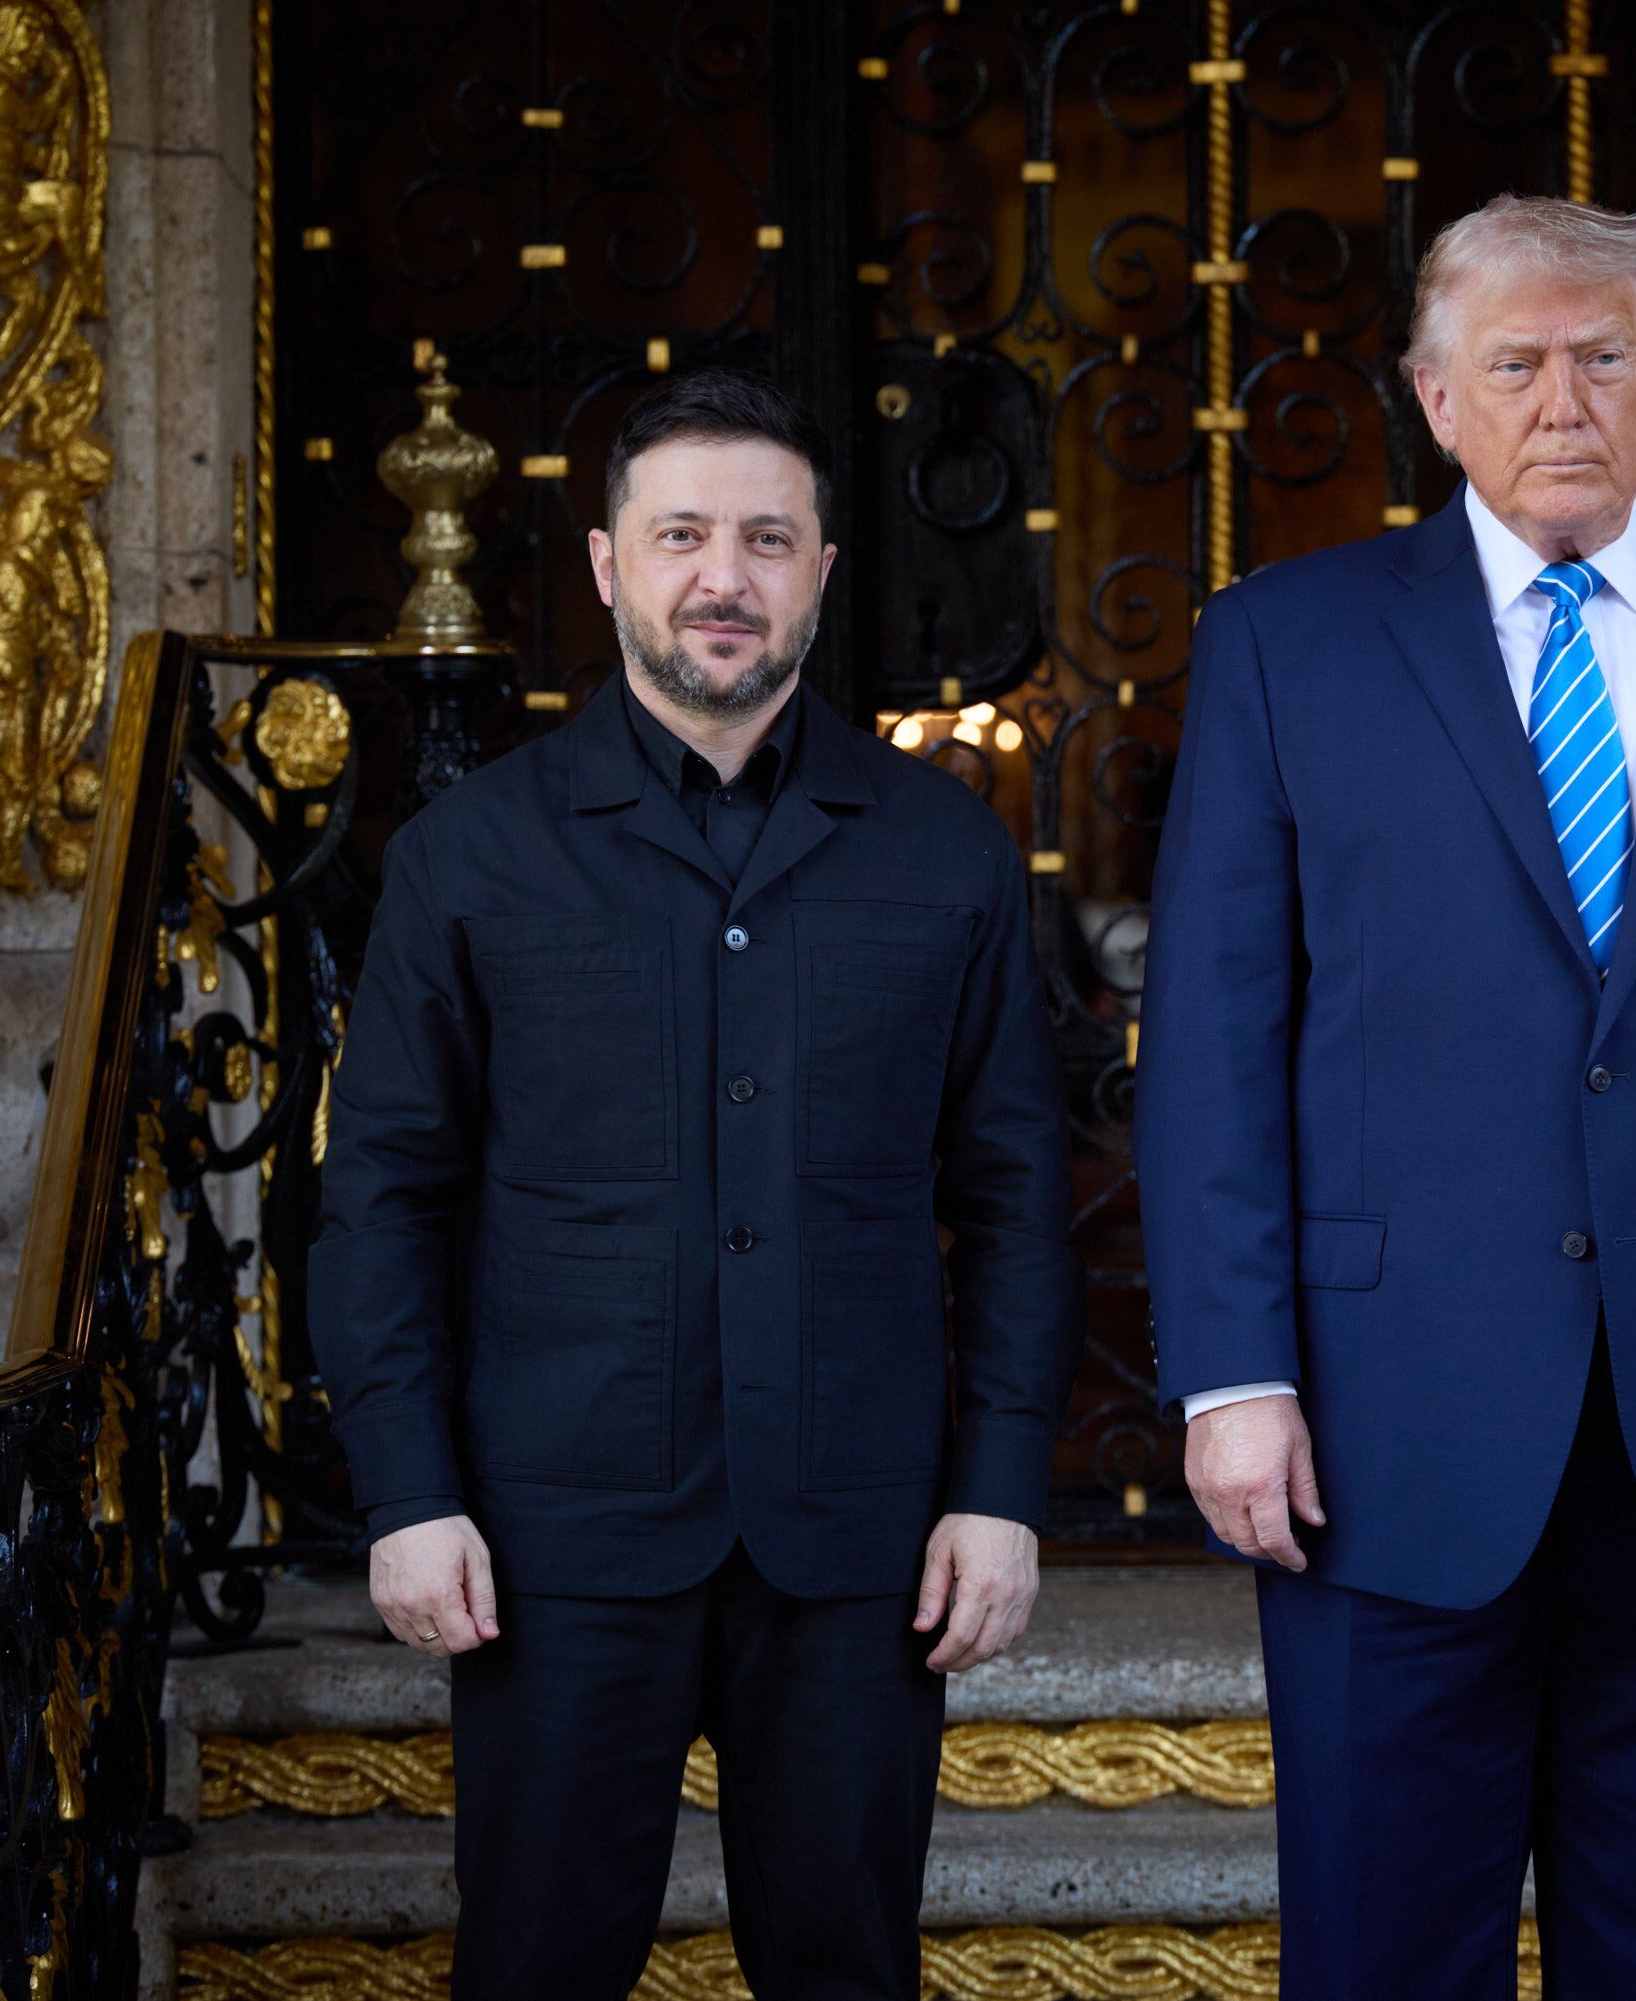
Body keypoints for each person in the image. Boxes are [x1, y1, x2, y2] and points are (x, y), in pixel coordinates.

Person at [1136, 194, 1636, 1999]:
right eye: (1515, 362)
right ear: (1437, 400)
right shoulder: (1286, 643)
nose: (1563, 398)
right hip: (1377, 1429)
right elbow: (1214, 1033)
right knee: (1381, 1951)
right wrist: (1231, 1373)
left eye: (1605, 356)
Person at [308, 370, 1082, 2001]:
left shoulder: (943, 853)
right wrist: (406, 1487)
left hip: (861, 1537)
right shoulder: (472, 854)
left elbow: (1017, 1191)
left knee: (846, 1969)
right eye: (682, 536)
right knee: (534, 1968)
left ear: (818, 568)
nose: (722, 576)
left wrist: (1001, 1485)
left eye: (765, 538)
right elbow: (385, 1192)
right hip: (552, 1532)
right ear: (608, 565)